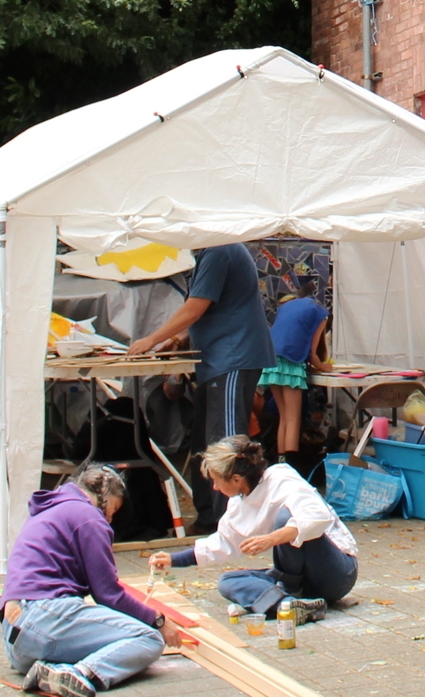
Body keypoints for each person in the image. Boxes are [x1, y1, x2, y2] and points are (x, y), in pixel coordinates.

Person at [0, 463, 187, 697]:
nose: (109, 520)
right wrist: (158, 620)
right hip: (43, 617)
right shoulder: (88, 516)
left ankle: (50, 672)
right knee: (147, 639)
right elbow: (108, 594)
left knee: (105, 637)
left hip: (16, 642)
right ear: (103, 496)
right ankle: (79, 673)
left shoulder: (51, 508)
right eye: (112, 510)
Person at [125, 242, 273, 531]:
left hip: (232, 357)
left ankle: (233, 522)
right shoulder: (213, 251)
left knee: (227, 446)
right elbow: (207, 308)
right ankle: (209, 518)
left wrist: (150, 340)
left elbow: (195, 308)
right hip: (215, 360)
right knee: (205, 445)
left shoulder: (219, 249)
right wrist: (179, 339)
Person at [149, 435, 358, 618]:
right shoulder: (237, 504)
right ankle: (289, 605)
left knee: (285, 518)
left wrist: (272, 538)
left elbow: (317, 518)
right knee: (228, 581)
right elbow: (223, 543)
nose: (215, 487)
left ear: (236, 479)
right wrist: (173, 559)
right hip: (303, 580)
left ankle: (287, 595)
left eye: (216, 481)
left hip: (337, 572)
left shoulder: (282, 478)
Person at [261, 290, 330, 471]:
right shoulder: (322, 315)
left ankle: (280, 465)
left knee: (284, 417)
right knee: (293, 419)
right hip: (291, 363)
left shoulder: (288, 309)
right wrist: (325, 367)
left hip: (272, 360)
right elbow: (314, 356)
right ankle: (292, 469)